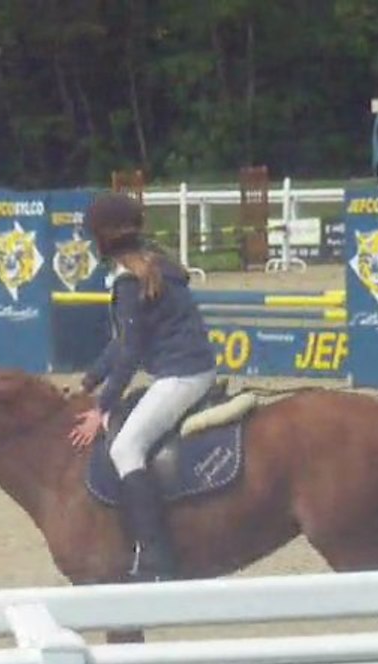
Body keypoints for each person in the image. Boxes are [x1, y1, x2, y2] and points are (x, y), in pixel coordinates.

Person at [68, 192, 217, 582]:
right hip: (191, 368)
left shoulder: (128, 282)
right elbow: (122, 344)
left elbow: (132, 352)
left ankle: (156, 555)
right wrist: (89, 379)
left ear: (103, 239)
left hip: (181, 376)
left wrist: (101, 407)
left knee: (125, 446)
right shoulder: (159, 266)